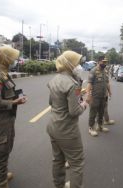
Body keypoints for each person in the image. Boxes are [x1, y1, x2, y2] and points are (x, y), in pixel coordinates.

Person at [0, 45, 27, 188]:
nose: (14, 60)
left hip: (5, 119)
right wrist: (14, 102)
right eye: (12, 57)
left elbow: (4, 95)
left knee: (5, 150)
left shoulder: (2, 73)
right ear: (4, 58)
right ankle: (0, 182)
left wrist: (15, 100)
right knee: (0, 153)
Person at [46, 51, 89, 188]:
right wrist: (85, 103)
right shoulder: (73, 84)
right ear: (69, 64)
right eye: (77, 63)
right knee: (77, 163)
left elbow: (51, 103)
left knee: (58, 160)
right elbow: (74, 111)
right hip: (67, 130)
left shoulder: (54, 79)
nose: (79, 66)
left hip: (53, 126)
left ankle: (58, 185)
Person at [87, 56, 111, 136]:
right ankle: (91, 128)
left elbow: (107, 82)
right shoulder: (93, 71)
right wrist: (88, 95)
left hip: (103, 96)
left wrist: (109, 92)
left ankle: (100, 126)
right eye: (103, 62)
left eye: (106, 62)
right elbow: (89, 83)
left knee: (101, 112)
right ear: (99, 61)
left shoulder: (105, 71)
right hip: (95, 96)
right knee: (93, 113)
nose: (105, 63)